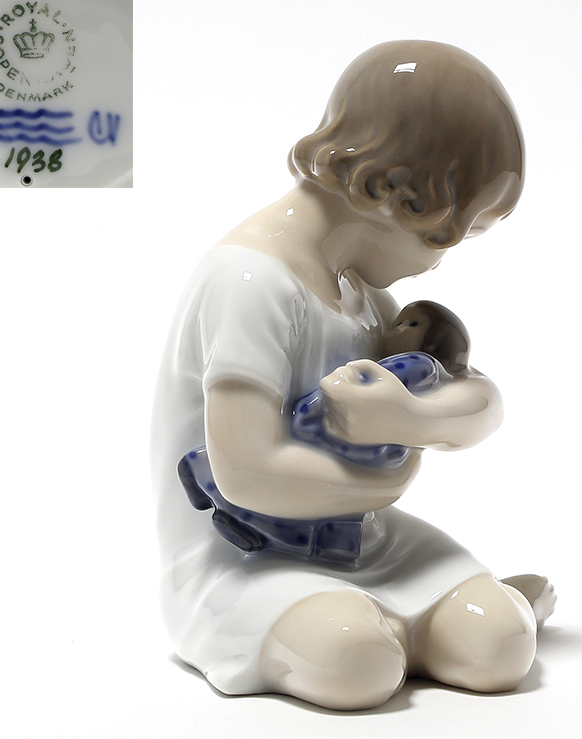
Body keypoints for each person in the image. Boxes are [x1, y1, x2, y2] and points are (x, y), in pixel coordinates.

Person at [151, 40, 554, 711]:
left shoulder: (365, 296)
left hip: (362, 541)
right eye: (454, 235)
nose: (441, 261)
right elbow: (244, 472)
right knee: (355, 662)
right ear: (402, 196)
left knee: (500, 646)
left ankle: (432, 618)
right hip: (241, 556)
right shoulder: (250, 282)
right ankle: (387, 629)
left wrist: (412, 418)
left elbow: (482, 399)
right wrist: (391, 479)